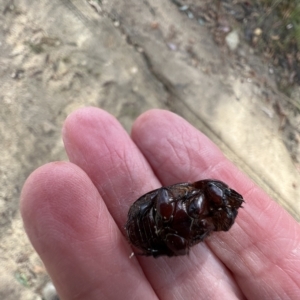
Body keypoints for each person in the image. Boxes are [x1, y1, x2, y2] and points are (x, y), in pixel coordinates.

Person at [21, 108, 300, 299]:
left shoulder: (206, 216)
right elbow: (168, 198)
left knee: (177, 235)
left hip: (162, 229)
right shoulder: (199, 194)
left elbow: (193, 229)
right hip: (150, 220)